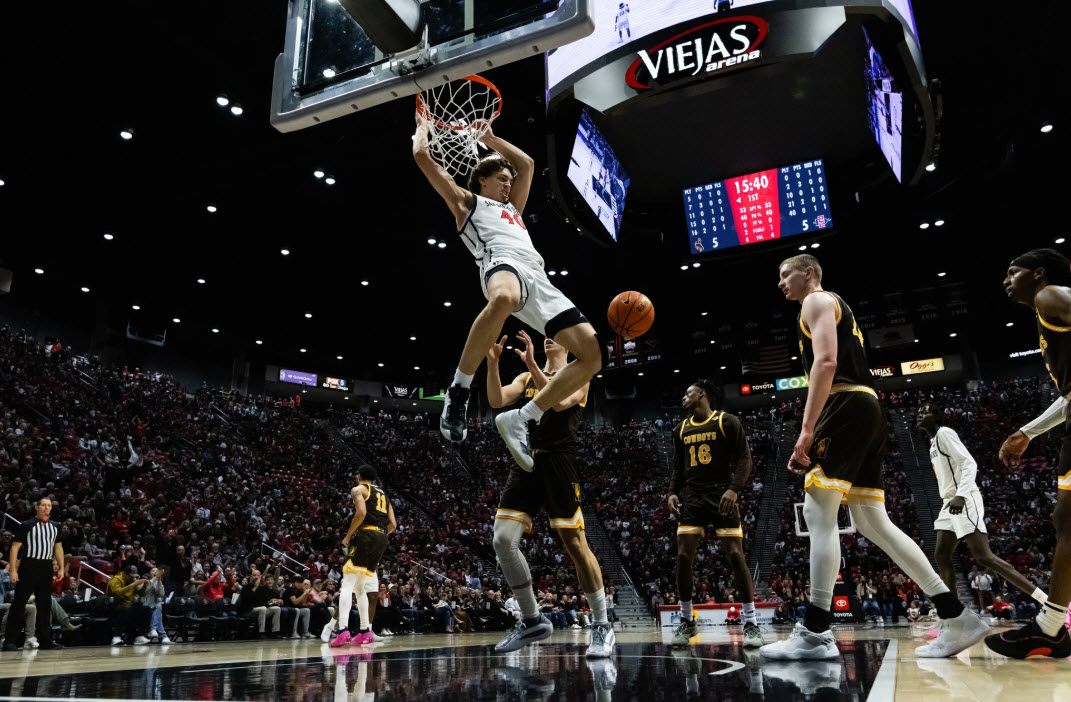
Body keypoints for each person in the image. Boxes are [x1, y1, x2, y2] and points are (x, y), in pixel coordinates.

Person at [760, 255, 986, 661]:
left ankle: (814, 630)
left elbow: (826, 362)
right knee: (871, 521)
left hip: (844, 403)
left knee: (818, 512)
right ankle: (957, 617)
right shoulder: (834, 305)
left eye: (784, 274)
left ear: (808, 272)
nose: (780, 283)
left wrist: (807, 429)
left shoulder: (816, 300)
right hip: (867, 408)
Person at [412, 117, 601, 471]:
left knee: (592, 356)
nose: (508, 184)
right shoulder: (467, 203)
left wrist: (491, 137)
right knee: (504, 298)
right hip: (500, 263)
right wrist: (422, 130)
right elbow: (423, 157)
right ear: (482, 179)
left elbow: (527, 164)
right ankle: (458, 392)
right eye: (501, 179)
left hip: (539, 277)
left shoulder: (513, 208)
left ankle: (523, 418)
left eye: (509, 181)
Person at [485, 331, 614, 657]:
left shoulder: (580, 373)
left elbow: (560, 401)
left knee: (575, 543)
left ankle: (601, 625)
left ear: (571, 345)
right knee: (501, 539)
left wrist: (532, 363)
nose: (548, 338)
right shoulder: (526, 376)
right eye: (546, 334)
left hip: (560, 460)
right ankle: (531, 619)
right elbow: (497, 400)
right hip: (527, 459)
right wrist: (493, 363)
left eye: (556, 335)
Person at [991, 248, 1071, 658]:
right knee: (1065, 518)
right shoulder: (1048, 312)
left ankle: (1051, 627)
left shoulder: (1050, 295)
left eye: (1012, 271)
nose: (1006, 280)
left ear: (1038, 274)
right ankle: (1051, 627)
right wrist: (1027, 431)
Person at [916, 403, 1050, 608]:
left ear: (937, 417)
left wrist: (960, 496)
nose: (919, 415)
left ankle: (1045, 600)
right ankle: (953, 615)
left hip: (963, 497)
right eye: (918, 412)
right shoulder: (934, 442)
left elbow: (970, 463)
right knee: (941, 555)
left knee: (983, 556)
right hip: (949, 501)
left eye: (924, 412)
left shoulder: (944, 433)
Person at [667, 380, 763, 649]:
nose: (684, 398)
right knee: (684, 556)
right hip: (693, 498)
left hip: (722, 494)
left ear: (701, 394)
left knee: (735, 554)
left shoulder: (727, 421)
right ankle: (687, 620)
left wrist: (734, 489)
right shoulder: (680, 430)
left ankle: (751, 623)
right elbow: (678, 466)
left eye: (687, 392)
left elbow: (745, 458)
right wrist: (672, 492)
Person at [328, 465, 396, 647]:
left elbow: (361, 513)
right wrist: (378, 537)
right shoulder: (384, 496)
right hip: (382, 538)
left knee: (347, 584)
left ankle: (342, 631)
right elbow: (393, 525)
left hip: (365, 535)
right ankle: (365, 632)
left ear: (359, 476)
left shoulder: (358, 489)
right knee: (360, 587)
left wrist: (349, 536)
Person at [2, 497, 65, 651]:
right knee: (19, 603)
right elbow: (15, 548)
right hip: (28, 565)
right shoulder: (27, 525)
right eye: (43, 505)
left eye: (49, 505)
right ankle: (10, 641)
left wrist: (62, 567)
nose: (46, 508)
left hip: (46, 566)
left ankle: (45, 640)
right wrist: (13, 570)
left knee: (45, 605)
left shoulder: (56, 526)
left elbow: (58, 548)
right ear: (37, 507)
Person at [142, 566, 171, 644]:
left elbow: (161, 594)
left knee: (158, 607)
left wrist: (159, 581)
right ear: (149, 573)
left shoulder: (159, 582)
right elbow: (146, 591)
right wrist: (155, 579)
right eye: (153, 571)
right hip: (145, 604)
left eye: (157, 571)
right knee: (158, 608)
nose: (155, 572)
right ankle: (163, 636)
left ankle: (153, 629)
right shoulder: (145, 581)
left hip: (154, 605)